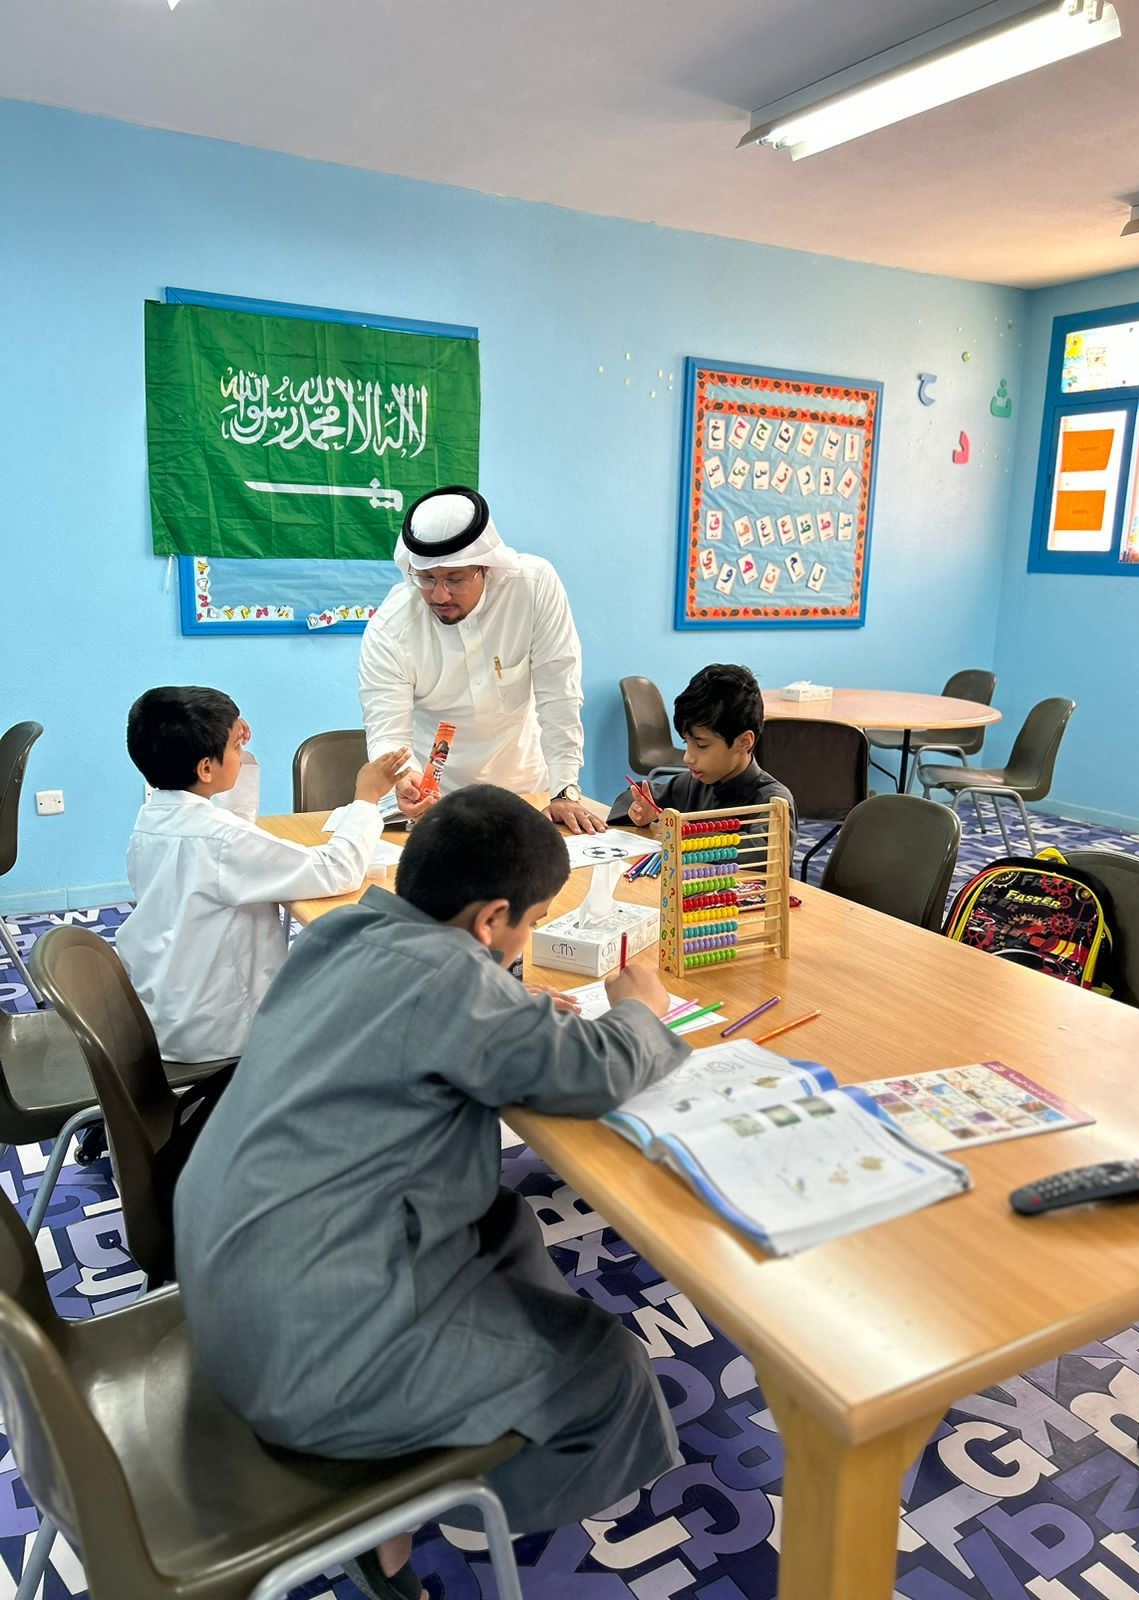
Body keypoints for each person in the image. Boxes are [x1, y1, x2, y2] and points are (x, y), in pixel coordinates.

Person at [173, 786, 688, 1600]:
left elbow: (420, 1010)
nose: (524, 941)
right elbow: (593, 1071)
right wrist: (643, 1014)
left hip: (223, 1284)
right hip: (306, 1355)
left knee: (502, 1221)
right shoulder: (455, 979)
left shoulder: (345, 931)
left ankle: (426, 1435)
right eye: (531, 921)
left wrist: (504, 1003)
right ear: (490, 921)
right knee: (611, 1369)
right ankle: (410, 1496)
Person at [116, 686, 409, 1063]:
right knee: (363, 1007)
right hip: (222, 1030)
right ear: (206, 768)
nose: (240, 751)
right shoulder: (220, 841)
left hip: (171, 1007)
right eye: (234, 748)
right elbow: (337, 870)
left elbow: (233, 832)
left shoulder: (155, 818)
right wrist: (366, 799)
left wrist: (237, 752)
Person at [358, 484, 601, 834]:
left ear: (486, 567)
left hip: (527, 794)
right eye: (426, 579)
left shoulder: (533, 587)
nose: (439, 594)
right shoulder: (391, 626)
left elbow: (559, 693)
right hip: (436, 805)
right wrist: (405, 778)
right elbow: (387, 731)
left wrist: (565, 786)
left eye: (455, 579)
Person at [608, 663, 798, 856]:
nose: (687, 757)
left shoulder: (773, 800)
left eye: (701, 745)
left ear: (744, 742)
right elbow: (634, 795)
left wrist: (691, 838)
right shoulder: (693, 785)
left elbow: (764, 852)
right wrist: (643, 812)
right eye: (686, 742)